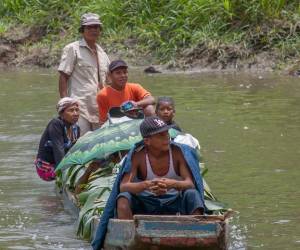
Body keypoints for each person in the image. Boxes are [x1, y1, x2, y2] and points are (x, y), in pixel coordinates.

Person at [92, 116, 205, 250]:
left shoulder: (177, 152)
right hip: (146, 202)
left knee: (192, 194)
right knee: (122, 199)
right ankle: (130, 239)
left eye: (167, 133)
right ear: (147, 141)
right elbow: (123, 186)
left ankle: (196, 237)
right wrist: (147, 185)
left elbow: (190, 183)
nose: (166, 138)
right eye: (161, 135)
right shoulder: (138, 155)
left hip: (173, 202)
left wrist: (171, 184)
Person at [58, 13, 110, 135]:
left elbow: (108, 81)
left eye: (96, 27)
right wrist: (65, 104)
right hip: (79, 106)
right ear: (82, 30)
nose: (93, 30)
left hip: (100, 107)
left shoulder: (102, 53)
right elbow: (63, 76)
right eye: (89, 27)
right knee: (80, 143)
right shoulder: (73, 48)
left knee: (100, 144)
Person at [96, 59, 155, 125]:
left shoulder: (135, 87)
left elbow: (151, 99)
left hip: (135, 120)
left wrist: (136, 104)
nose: (123, 75)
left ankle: (152, 131)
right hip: (115, 124)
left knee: (149, 108)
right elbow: (103, 121)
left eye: (125, 72)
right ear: (110, 75)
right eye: (118, 73)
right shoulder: (103, 95)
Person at [35, 97, 80, 181]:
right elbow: (58, 150)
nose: (75, 113)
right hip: (46, 167)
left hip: (62, 162)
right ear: (61, 113)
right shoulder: (56, 124)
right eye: (71, 110)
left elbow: (75, 150)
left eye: (77, 110)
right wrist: (64, 172)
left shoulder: (76, 128)